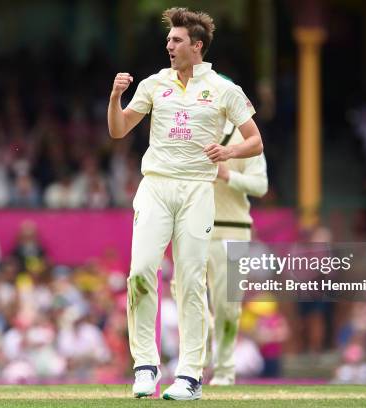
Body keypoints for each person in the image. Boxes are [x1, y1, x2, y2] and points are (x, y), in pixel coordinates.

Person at [107, 7, 263, 400]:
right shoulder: (154, 84)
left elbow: (254, 140)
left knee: (192, 282)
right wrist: (115, 96)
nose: (169, 45)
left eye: (176, 40)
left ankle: (189, 375)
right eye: (168, 40)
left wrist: (227, 155)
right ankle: (145, 367)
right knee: (141, 272)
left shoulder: (224, 89)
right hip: (156, 187)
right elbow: (119, 129)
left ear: (197, 46)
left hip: (197, 190)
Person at [206, 119, 268, 385]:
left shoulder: (247, 140)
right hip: (194, 230)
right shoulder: (191, 131)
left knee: (228, 306)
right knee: (187, 298)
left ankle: (224, 371)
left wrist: (226, 174)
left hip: (233, 232)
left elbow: (260, 186)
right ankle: (194, 366)